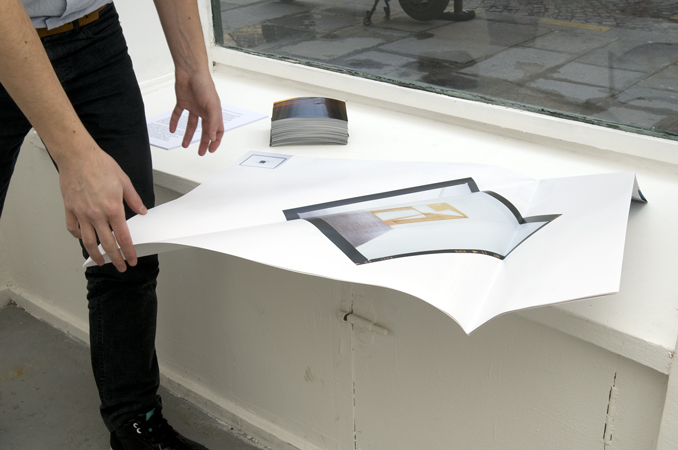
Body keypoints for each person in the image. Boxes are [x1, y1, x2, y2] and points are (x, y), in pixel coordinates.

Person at [0, 0, 225, 448]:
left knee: (128, 244)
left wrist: (192, 65)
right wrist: (76, 156)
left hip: (93, 36)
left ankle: (136, 425)